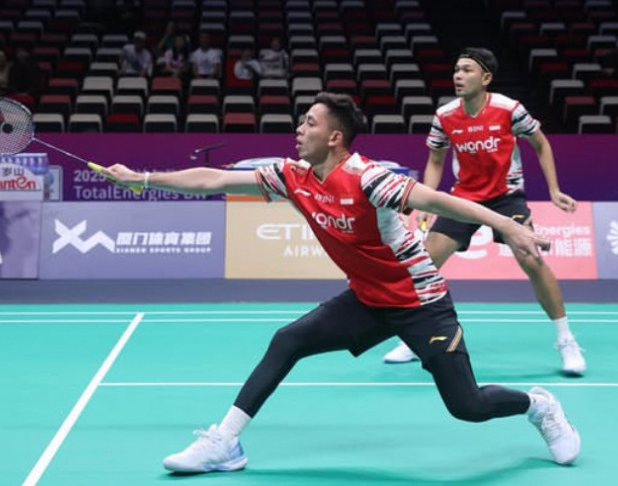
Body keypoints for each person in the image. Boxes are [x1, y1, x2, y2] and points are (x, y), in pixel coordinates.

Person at [103, 92, 580, 474]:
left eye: (309, 122)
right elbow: (215, 180)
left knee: (467, 406)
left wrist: (510, 225)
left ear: (334, 137)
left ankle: (538, 406)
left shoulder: (368, 178)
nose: (299, 129)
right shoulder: (292, 176)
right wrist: (143, 180)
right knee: (288, 340)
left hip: (420, 302)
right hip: (368, 300)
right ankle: (224, 443)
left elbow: (439, 201)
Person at [382, 47, 586, 376]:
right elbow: (435, 160)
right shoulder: (445, 116)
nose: (458, 76)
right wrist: (425, 202)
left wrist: (554, 190)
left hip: (506, 197)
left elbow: (541, 144)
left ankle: (566, 341)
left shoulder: (509, 109)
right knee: (423, 265)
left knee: (532, 259)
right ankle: (415, 339)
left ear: (486, 78)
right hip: (464, 198)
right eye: (456, 70)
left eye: (467, 70)